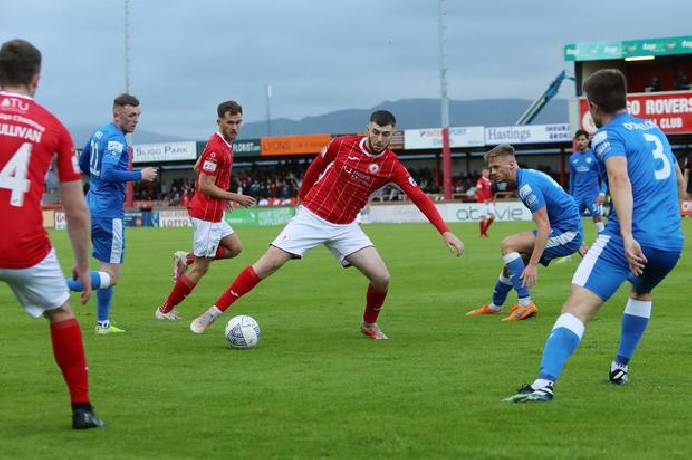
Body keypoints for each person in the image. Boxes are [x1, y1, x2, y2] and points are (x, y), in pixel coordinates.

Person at [188, 110, 465, 339]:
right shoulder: (342, 144)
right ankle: (213, 312)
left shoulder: (392, 166)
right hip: (312, 216)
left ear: (392, 135)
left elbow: (419, 198)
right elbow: (315, 167)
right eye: (375, 132)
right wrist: (303, 198)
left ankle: (369, 324)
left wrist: (445, 231)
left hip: (345, 226)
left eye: (385, 134)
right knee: (268, 264)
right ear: (367, 129)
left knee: (382, 277)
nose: (379, 138)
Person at [506, 69, 685, 403]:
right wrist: (672, 221)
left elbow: (619, 180)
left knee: (576, 306)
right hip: (670, 242)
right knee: (641, 292)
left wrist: (629, 234)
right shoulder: (654, 129)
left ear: (592, 104)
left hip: (627, 240)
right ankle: (620, 365)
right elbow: (678, 180)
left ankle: (543, 384)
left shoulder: (606, 135)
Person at [0, 39, 104, 428]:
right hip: (25, 247)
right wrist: (80, 267)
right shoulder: (53, 127)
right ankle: (82, 409)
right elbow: (77, 211)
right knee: (60, 311)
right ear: (36, 78)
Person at [156, 101, 255, 320]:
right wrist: (235, 197)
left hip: (215, 212)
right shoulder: (216, 148)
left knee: (236, 247)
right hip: (206, 216)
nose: (235, 127)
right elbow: (204, 185)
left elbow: (197, 168)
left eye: (238, 122)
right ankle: (165, 309)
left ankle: (186, 258)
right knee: (201, 268)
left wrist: (223, 198)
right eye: (230, 122)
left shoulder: (224, 144)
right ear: (219, 121)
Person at [68, 94, 158, 334]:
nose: (136, 120)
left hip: (92, 206)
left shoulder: (99, 133)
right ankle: (59, 287)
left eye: (138, 115)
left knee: (105, 268)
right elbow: (108, 172)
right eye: (131, 115)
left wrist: (96, 182)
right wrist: (140, 175)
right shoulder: (117, 139)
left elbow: (84, 162)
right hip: (109, 213)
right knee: (112, 276)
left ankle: (103, 324)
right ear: (116, 114)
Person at [465, 144, 583, 321]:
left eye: (496, 167)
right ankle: (495, 306)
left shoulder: (527, 186)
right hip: (565, 229)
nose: (492, 172)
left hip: (565, 232)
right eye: (491, 168)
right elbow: (564, 200)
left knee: (508, 244)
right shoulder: (527, 176)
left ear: (511, 165)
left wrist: (533, 264)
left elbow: (544, 226)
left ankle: (526, 304)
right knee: (512, 264)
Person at [475, 168, 495, 237]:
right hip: (482, 202)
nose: (486, 173)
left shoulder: (489, 181)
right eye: (485, 172)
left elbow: (490, 192)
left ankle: (484, 231)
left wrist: (492, 199)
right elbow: (479, 191)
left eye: (487, 172)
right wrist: (484, 199)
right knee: (483, 217)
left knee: (492, 216)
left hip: (489, 201)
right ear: (482, 173)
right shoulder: (480, 181)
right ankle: (483, 233)